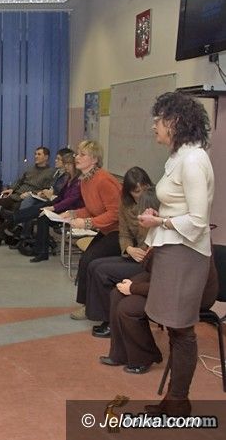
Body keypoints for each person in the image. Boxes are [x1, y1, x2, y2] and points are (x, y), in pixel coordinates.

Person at [137, 92, 214, 416]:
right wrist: (161, 213)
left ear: (176, 122)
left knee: (181, 329)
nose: (154, 125)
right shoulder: (181, 156)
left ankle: (178, 401)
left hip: (186, 252)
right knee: (174, 327)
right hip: (173, 250)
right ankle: (174, 398)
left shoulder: (193, 160)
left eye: (159, 119)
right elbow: (180, 205)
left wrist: (159, 221)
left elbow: (197, 220)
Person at [101, 250, 217, 375]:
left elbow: (170, 284)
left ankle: (144, 357)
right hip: (166, 280)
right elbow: (149, 265)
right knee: (117, 293)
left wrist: (133, 288)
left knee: (128, 308)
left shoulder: (189, 247)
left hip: (186, 295)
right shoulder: (168, 243)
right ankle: (120, 353)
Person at [84, 168, 154, 337]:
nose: (141, 194)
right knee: (93, 265)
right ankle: (104, 316)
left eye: (144, 189)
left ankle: (110, 322)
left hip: (149, 260)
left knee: (102, 271)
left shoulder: (156, 204)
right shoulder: (125, 205)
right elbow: (124, 234)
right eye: (137, 191)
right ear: (129, 192)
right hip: (135, 254)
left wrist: (144, 251)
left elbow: (157, 236)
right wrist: (129, 249)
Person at [58, 141, 122, 320]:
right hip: (107, 229)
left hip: (121, 232)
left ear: (94, 160)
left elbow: (115, 213)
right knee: (87, 260)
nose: (76, 157)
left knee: (89, 260)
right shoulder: (85, 180)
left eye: (82, 154)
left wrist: (87, 223)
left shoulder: (104, 180)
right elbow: (93, 208)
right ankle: (88, 304)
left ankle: (89, 306)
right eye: (77, 153)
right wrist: (73, 213)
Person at [0, 147, 54, 247]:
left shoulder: (50, 172)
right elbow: (20, 181)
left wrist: (31, 193)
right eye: (35, 154)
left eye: (39, 154)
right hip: (17, 195)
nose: (36, 156)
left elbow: (47, 189)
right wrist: (12, 189)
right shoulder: (30, 169)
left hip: (29, 198)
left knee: (17, 213)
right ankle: (8, 227)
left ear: (46, 157)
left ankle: (1, 235)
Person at [28, 151, 83, 262]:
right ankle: (39, 249)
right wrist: (52, 204)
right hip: (63, 208)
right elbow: (61, 196)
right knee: (42, 208)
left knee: (43, 216)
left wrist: (54, 207)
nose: (66, 167)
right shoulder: (68, 178)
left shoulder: (78, 181)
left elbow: (70, 200)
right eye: (65, 164)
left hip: (72, 211)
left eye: (69, 164)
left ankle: (42, 252)